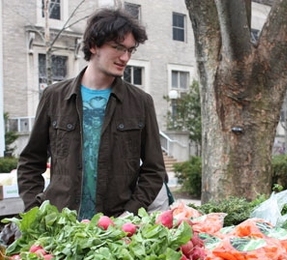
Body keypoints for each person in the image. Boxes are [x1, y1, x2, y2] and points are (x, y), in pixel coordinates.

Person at [17, 7, 172, 220]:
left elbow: (154, 170)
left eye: (130, 50)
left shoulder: (140, 102)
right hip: (62, 228)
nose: (125, 57)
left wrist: (130, 214)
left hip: (116, 229)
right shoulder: (54, 97)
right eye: (118, 47)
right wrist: (35, 212)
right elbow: (30, 162)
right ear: (93, 45)